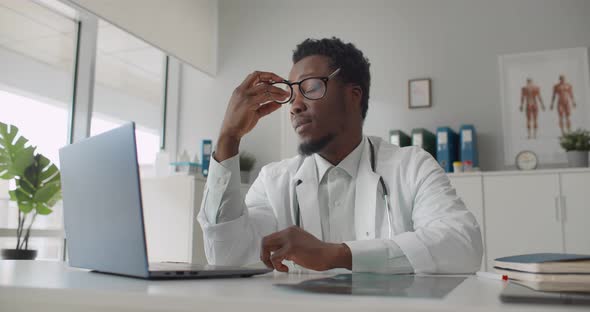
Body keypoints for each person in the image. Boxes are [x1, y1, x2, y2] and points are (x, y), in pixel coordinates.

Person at [197, 37, 483, 274]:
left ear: (353, 95)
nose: (295, 106)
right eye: (291, 93)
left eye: (309, 88)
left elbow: (462, 244)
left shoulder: (411, 166)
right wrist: (228, 137)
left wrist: (338, 255)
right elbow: (227, 257)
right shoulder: (274, 180)